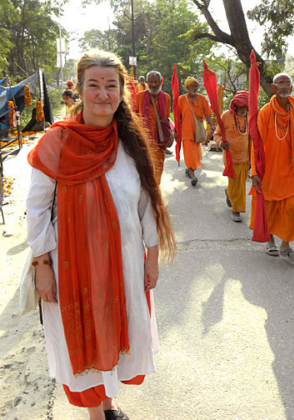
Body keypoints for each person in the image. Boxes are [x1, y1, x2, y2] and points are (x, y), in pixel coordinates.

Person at [26, 49, 176, 420]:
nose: (103, 94)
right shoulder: (57, 143)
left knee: (112, 330)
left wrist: (152, 258)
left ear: (123, 91)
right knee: (85, 334)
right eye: (93, 85)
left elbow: (146, 204)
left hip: (123, 264)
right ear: (79, 89)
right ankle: (97, 414)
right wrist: (42, 264)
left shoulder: (129, 143)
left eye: (111, 85)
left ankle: (107, 404)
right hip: (71, 266)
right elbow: (37, 207)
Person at [250, 73, 294, 262]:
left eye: (287, 84)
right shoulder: (266, 112)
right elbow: (256, 144)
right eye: (280, 83)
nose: (284, 87)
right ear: (273, 88)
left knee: (292, 209)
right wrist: (254, 171)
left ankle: (286, 245)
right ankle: (270, 241)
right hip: (270, 169)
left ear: (291, 88)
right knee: (269, 208)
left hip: (291, 169)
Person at [214, 91, 250, 223]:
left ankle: (229, 192)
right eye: (240, 107)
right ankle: (237, 210)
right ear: (234, 106)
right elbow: (216, 134)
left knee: (241, 184)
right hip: (231, 157)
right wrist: (220, 143)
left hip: (245, 157)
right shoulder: (226, 116)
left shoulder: (250, 116)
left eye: (245, 107)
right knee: (236, 185)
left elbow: (253, 138)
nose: (243, 110)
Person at [135, 70, 173, 184]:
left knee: (159, 164)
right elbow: (136, 114)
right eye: (151, 82)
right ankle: (147, 189)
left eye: (155, 81)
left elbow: (166, 117)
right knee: (145, 165)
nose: (153, 85)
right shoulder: (140, 96)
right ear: (147, 82)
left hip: (159, 138)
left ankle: (155, 188)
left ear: (160, 82)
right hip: (145, 138)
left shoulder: (166, 97)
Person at [179, 76, 214, 186]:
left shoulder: (202, 98)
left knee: (195, 153)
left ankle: (189, 169)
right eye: (193, 86)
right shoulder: (181, 99)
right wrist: (176, 130)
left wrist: (211, 125)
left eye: (196, 86)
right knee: (189, 153)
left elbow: (208, 113)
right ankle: (193, 175)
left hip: (197, 131)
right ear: (187, 87)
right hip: (186, 131)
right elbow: (177, 116)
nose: (195, 88)